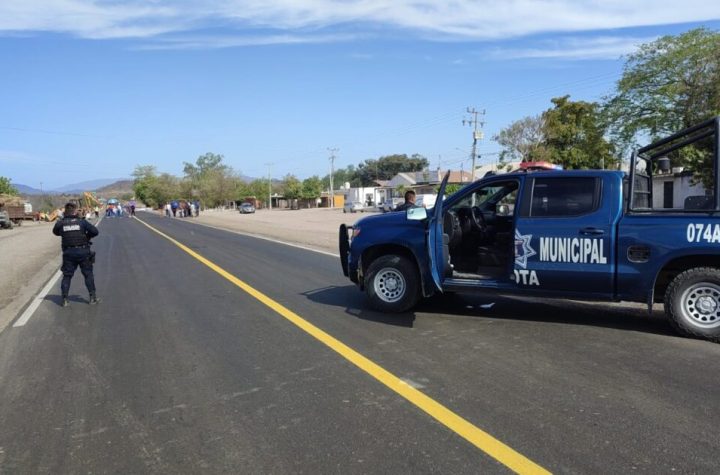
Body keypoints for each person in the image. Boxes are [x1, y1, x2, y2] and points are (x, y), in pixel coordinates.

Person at [53, 203, 100, 307]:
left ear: (65, 211)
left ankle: (64, 299)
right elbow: (95, 231)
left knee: (67, 276)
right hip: (83, 252)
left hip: (68, 253)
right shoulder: (82, 222)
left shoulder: (61, 223)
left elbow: (55, 232)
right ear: (75, 211)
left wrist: (64, 233)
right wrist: (87, 236)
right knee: (88, 274)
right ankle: (92, 298)